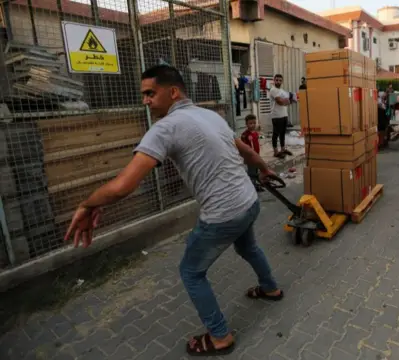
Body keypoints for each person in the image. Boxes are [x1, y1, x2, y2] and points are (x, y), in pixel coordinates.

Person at [64, 65, 284, 356]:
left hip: (223, 214)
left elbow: (122, 187)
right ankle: (270, 288)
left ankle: (220, 336)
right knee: (248, 247)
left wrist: (86, 204)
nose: (145, 100)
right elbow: (246, 151)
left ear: (173, 92)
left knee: (191, 272)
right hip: (248, 201)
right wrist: (265, 169)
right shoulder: (210, 115)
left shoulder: (165, 127)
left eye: (150, 93)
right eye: (144, 94)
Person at [269, 74, 294, 158]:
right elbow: (280, 101)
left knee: (283, 133)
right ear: (274, 80)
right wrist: (287, 101)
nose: (278, 82)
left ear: (282, 81)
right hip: (276, 115)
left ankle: (283, 149)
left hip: (284, 114)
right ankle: (276, 152)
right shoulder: (273, 90)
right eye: (277, 80)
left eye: (280, 80)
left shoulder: (282, 91)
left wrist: (289, 100)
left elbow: (289, 101)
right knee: (276, 134)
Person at [241, 114, 263, 192]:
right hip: (250, 157)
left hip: (256, 155)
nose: (253, 125)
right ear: (246, 124)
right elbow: (243, 147)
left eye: (254, 123)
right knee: (252, 172)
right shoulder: (245, 135)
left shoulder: (255, 133)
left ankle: (254, 184)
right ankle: (252, 187)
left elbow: (257, 142)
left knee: (255, 171)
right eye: (250, 123)